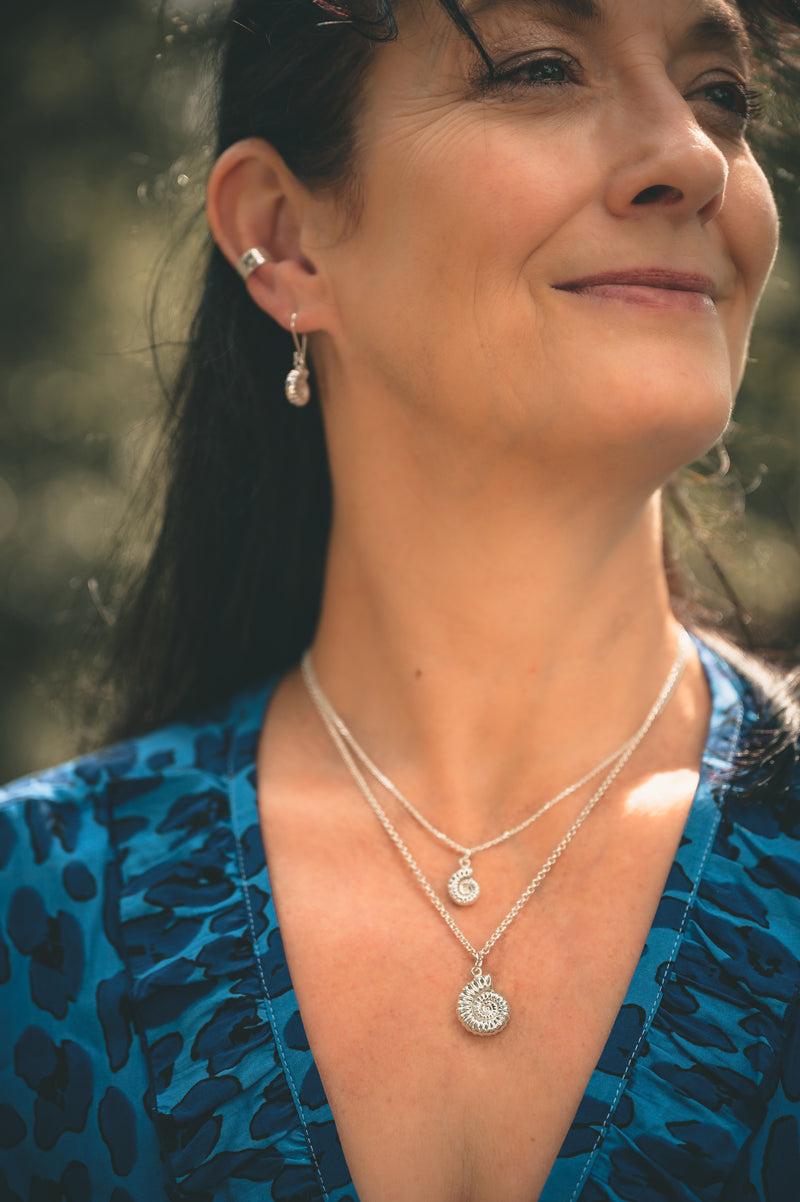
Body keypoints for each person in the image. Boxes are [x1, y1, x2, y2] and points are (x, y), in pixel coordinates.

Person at [2, 0, 800, 1198]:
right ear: (283, 237)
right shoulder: (32, 921)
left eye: (720, 93)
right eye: (540, 66)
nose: (691, 156)